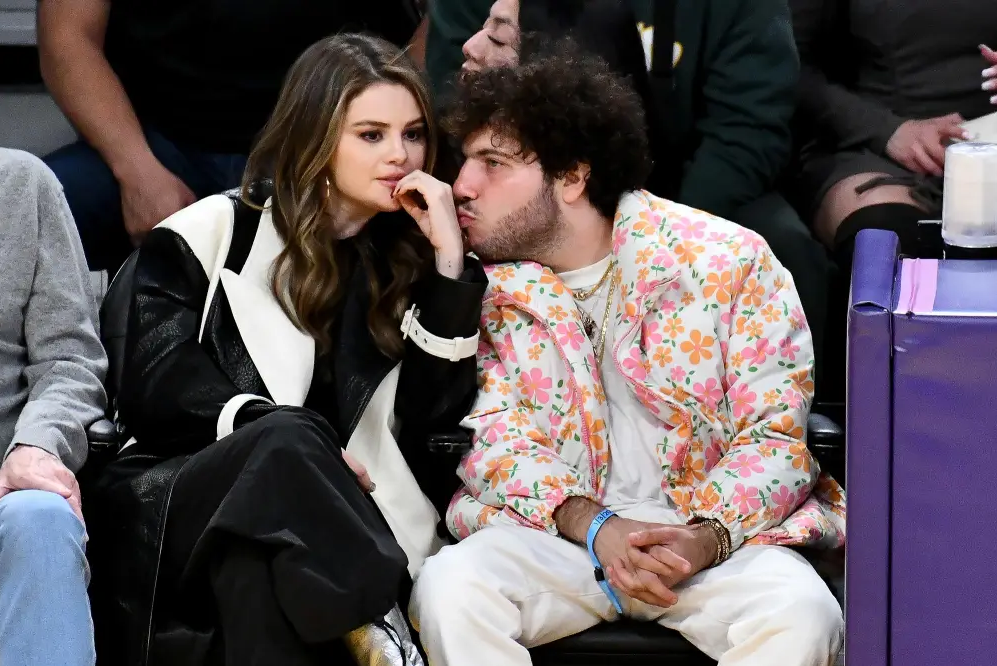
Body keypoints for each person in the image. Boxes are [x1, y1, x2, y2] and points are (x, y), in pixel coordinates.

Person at [408, 46, 847, 665]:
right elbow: (493, 445)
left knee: (801, 615)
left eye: (494, 163)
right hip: (561, 537)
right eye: (465, 161)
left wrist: (701, 539)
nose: (462, 186)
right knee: (449, 590)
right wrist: (596, 526)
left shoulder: (725, 261)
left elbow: (775, 441)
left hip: (712, 541)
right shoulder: (488, 291)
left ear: (572, 176)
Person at [89, 34, 487, 666]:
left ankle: (360, 615)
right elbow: (153, 382)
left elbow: (433, 425)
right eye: (371, 134)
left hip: (283, 538)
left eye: (413, 134)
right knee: (291, 439)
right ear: (315, 135)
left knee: (256, 569)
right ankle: (373, 608)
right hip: (177, 499)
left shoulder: (408, 267)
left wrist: (447, 267)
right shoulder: (211, 232)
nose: (399, 155)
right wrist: (272, 429)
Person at [432, 0, 832, 392]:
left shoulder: (741, 264)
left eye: (497, 41)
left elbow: (748, 127)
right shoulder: (486, 252)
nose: (472, 47)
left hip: (686, 185)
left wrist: (659, 237)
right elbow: (501, 446)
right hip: (561, 182)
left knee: (790, 249)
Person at [37, 0, 426, 274]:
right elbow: (68, 35)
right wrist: (138, 172)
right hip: (151, 143)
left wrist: (385, 120)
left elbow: (445, 21)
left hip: (321, 143)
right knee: (33, 211)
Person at [0, 148, 109, 665]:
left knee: (41, 514)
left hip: (4, 483)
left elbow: (70, 361)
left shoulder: (21, 185)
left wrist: (37, 445)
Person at [789, 0, 997, 263]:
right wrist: (888, 130)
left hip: (989, 143)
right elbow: (785, 63)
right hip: (874, 144)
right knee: (884, 241)